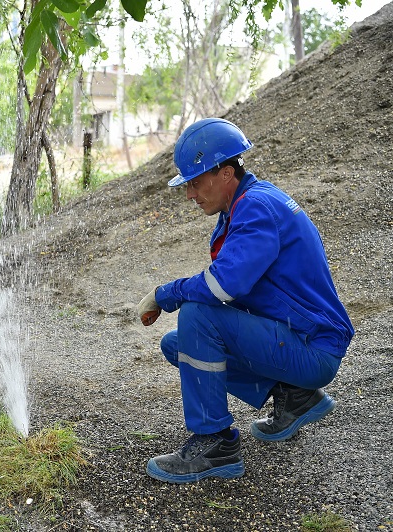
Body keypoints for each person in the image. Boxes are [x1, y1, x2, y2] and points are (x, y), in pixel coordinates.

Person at [136, 118, 354, 484]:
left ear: (225, 173)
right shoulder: (247, 203)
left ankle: (215, 444)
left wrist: (165, 293)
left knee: (196, 318)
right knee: (178, 344)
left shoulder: (255, 208)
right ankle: (294, 396)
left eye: (194, 182)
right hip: (297, 337)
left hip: (311, 348)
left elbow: (223, 286)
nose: (190, 194)